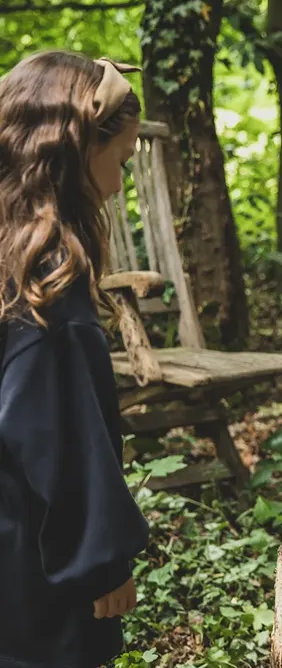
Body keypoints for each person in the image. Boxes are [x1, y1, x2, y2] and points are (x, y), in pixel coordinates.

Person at [0, 51, 150, 666]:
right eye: (121, 157)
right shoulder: (49, 286)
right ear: (78, 149)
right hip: (35, 566)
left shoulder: (10, 257)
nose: (120, 180)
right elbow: (60, 437)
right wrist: (102, 561)